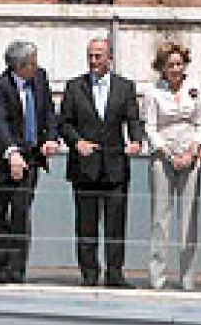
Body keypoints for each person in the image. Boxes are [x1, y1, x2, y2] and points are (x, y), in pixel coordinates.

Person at [59, 37, 145, 288]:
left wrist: (137, 141)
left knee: (116, 223)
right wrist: (77, 143)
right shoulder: (75, 87)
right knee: (86, 224)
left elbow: (133, 119)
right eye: (91, 56)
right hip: (84, 167)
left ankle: (115, 273)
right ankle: (89, 274)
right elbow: (64, 122)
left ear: (110, 58)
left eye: (99, 56)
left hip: (115, 165)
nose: (94, 61)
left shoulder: (124, 87)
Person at [0, 39, 61, 285]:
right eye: (31, 64)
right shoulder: (1, 87)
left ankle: (17, 270)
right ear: (18, 67)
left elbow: (49, 113)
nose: (36, 67)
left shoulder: (40, 78)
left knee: (21, 213)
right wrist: (11, 153)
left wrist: (51, 138)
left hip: (31, 156)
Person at [142, 41, 201, 291]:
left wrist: (193, 150)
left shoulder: (196, 88)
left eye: (179, 64)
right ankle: (157, 278)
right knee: (160, 217)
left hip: (190, 156)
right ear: (162, 67)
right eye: (171, 65)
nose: (176, 69)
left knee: (189, 218)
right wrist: (168, 153)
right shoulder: (153, 92)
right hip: (163, 156)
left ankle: (188, 278)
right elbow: (150, 126)